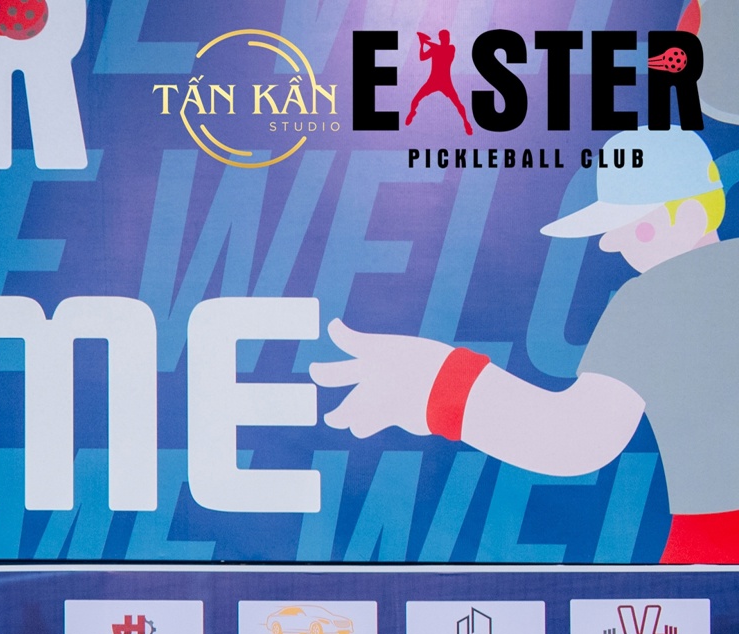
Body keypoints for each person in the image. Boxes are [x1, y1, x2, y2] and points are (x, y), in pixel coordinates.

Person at [312, 128, 737, 562]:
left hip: (716, 545)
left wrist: (437, 383)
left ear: (690, 217)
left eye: (639, 228)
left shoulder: (656, 296)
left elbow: (578, 437)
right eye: (613, 230)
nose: (614, 243)